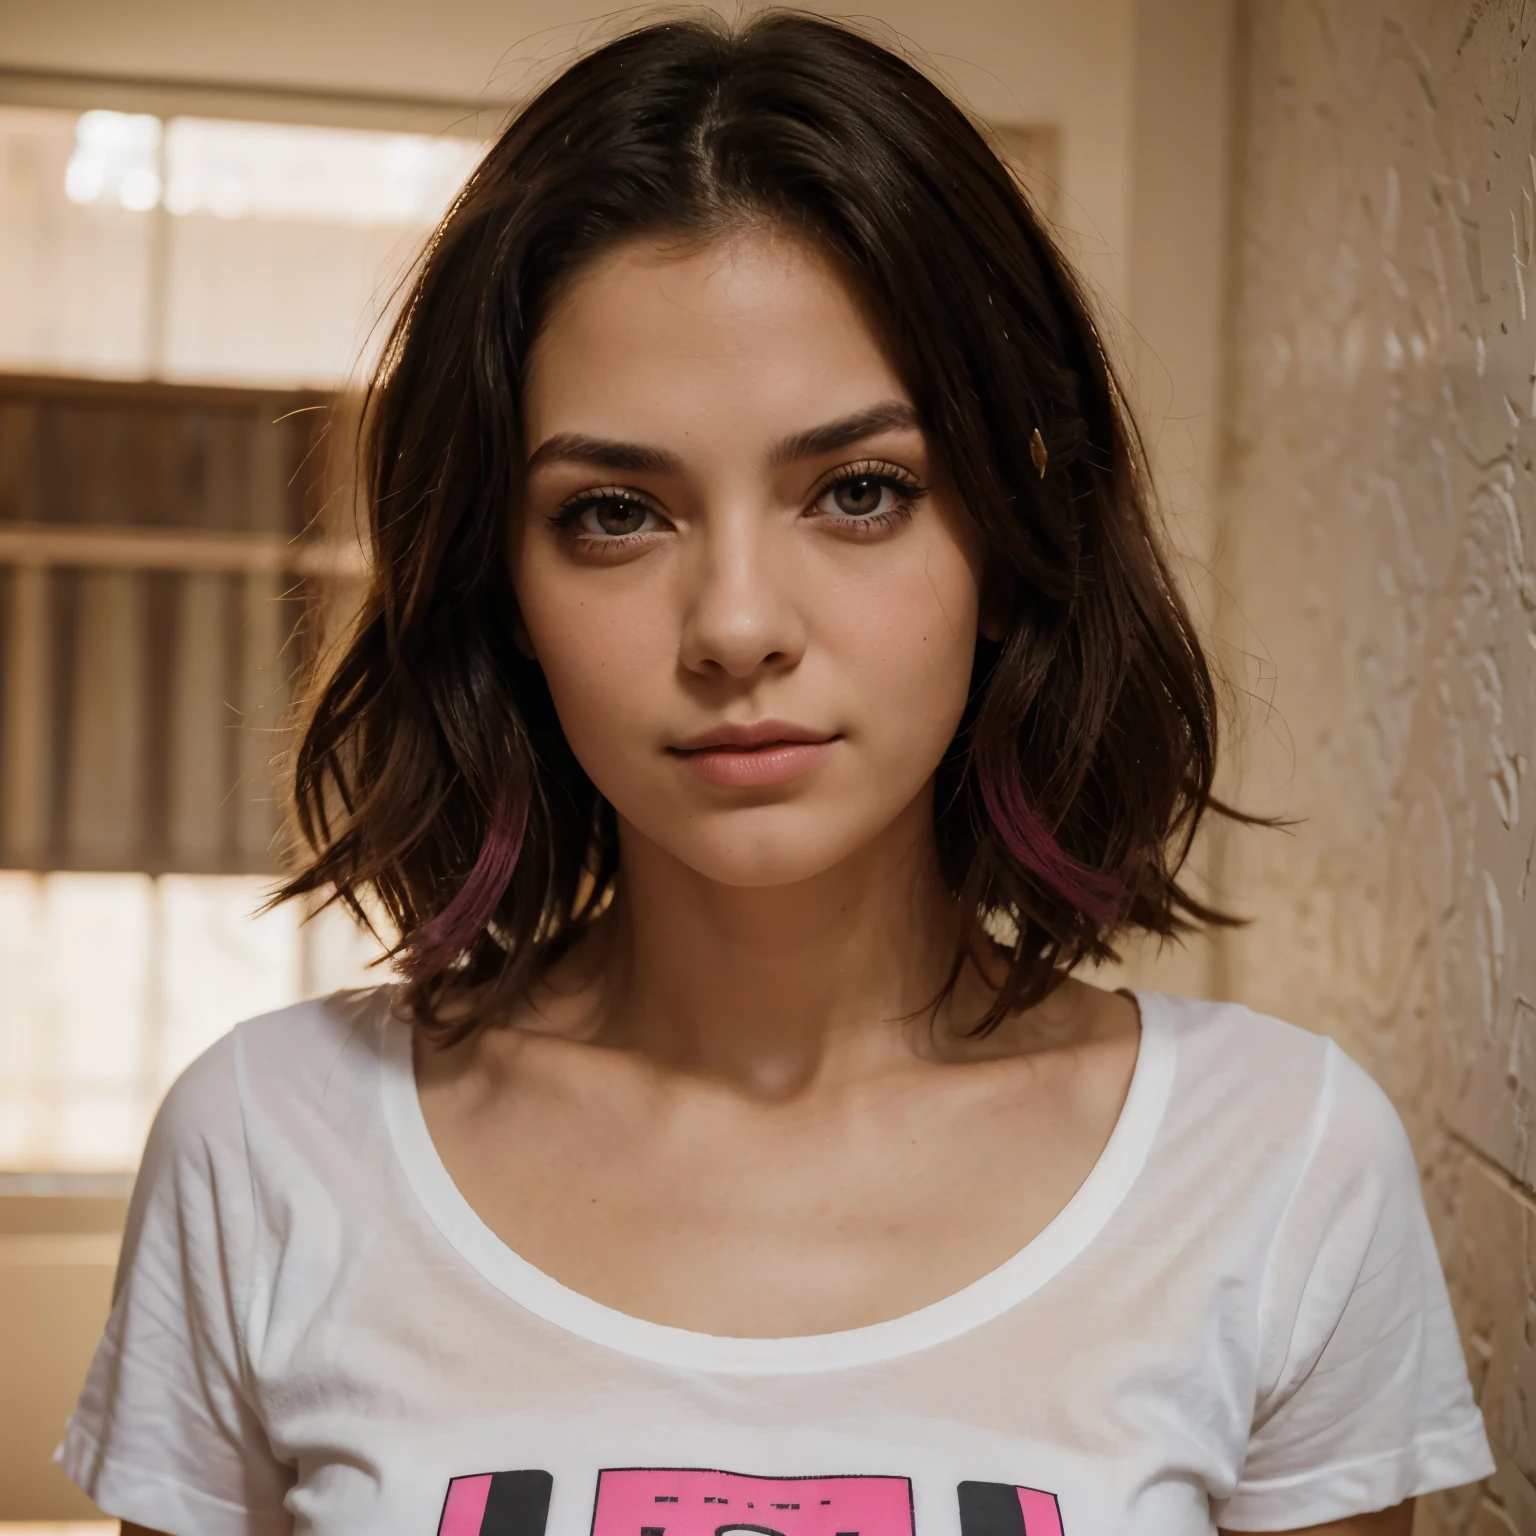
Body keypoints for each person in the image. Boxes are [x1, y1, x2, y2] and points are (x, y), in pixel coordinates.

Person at [60, 13, 1493, 1536]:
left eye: (860, 491)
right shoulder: (272, 1147)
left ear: (1012, 539)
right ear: (505, 591)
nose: (737, 624)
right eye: (616, 511)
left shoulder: (1276, 1165)